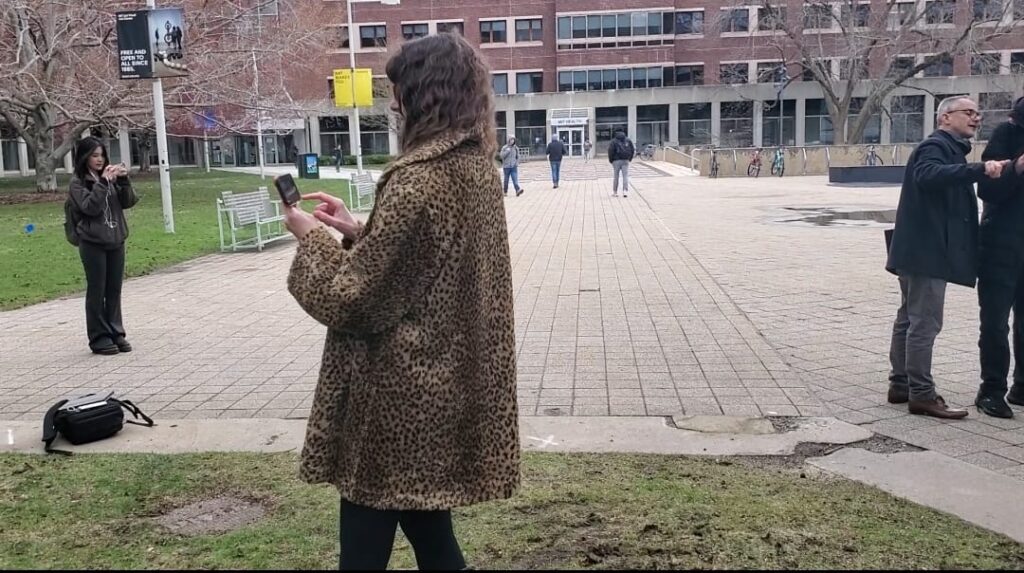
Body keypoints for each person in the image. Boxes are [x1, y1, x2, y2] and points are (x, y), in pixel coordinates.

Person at [282, 33, 520, 571]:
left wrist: (311, 238)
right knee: (428, 528)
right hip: (443, 382)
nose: (392, 102)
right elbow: (426, 258)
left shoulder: (418, 180)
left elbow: (355, 301)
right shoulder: (475, 167)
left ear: (423, 94)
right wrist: (356, 230)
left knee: (367, 535)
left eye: (399, 89)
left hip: (396, 394)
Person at [885, 96, 1010, 419]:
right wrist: (979, 169)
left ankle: (901, 384)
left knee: (909, 319)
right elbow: (929, 175)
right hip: (926, 251)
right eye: (968, 112)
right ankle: (922, 394)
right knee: (924, 323)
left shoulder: (947, 149)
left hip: (917, 249)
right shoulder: (935, 146)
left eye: (978, 113)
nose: (976, 118)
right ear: (945, 118)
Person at [975, 96, 1024, 418]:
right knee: (995, 322)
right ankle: (991, 390)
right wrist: (1017, 168)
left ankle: (1022, 386)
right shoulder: (1006, 134)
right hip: (1000, 244)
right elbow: (987, 189)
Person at [67, 137, 138, 355]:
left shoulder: (109, 176)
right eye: (94, 156)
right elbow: (90, 208)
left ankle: (116, 332)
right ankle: (99, 336)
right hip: (92, 242)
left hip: (115, 238)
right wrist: (103, 183)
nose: (99, 160)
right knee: (97, 289)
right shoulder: (78, 183)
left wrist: (123, 181)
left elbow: (127, 202)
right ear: (84, 157)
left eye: (102, 155)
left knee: (114, 289)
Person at [608, 130, 635, 198]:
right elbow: (632, 150)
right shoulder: (628, 140)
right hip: (625, 160)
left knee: (616, 176)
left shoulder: (613, 141)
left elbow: (610, 151)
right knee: (625, 176)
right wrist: (630, 159)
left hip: (616, 161)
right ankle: (625, 191)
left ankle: (615, 192)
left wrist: (611, 160)